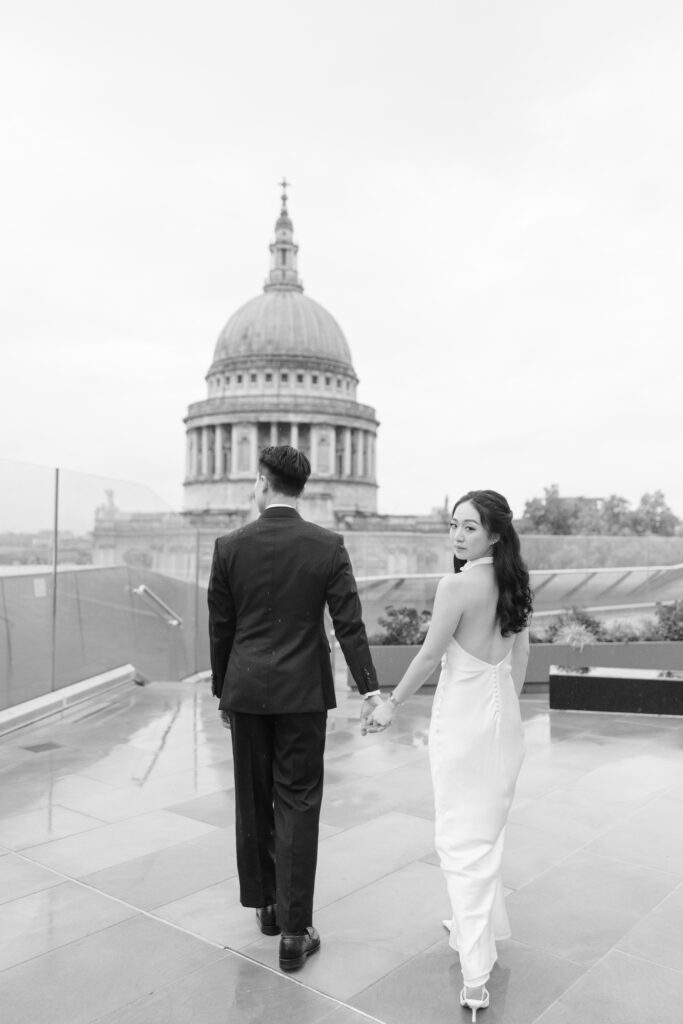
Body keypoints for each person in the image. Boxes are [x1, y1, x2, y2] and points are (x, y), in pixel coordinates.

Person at [208, 445, 381, 972]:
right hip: (303, 694)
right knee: (299, 803)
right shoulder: (327, 545)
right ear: (300, 488)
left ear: (263, 482)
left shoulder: (228, 545)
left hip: (246, 691)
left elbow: (222, 629)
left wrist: (223, 691)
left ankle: (264, 906)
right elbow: (348, 625)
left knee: (253, 800)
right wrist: (371, 690)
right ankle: (293, 929)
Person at [367, 489, 532, 1021]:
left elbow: (430, 656)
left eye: (469, 528)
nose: (457, 536)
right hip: (501, 719)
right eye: (454, 526)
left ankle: (476, 974)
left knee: (461, 838)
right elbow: (521, 656)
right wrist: (507, 706)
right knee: (484, 831)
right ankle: (469, 927)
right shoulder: (515, 584)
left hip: (462, 722)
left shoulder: (455, 585)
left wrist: (391, 703)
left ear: (494, 534)